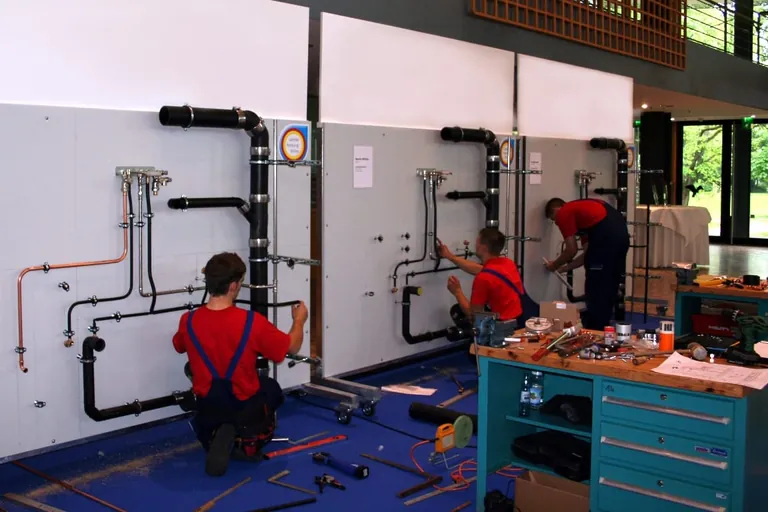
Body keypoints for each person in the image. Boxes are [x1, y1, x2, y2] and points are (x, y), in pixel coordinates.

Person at [172, 252, 308, 477]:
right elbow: (291, 347)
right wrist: (299, 320)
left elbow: (178, 346)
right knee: (272, 388)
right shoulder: (251, 322)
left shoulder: (189, 320)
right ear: (234, 285)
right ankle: (241, 436)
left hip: (208, 406)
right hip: (242, 406)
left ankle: (218, 431)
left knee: (192, 369)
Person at [543, 197, 630, 330]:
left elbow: (571, 250)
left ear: (556, 210)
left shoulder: (564, 212)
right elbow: (587, 255)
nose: (556, 223)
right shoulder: (585, 215)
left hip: (607, 238)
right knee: (607, 286)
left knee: (596, 288)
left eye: (553, 219)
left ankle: (595, 330)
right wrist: (565, 268)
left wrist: (554, 265)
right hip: (620, 238)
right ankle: (602, 329)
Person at [438, 228, 537, 331]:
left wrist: (457, 292)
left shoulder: (483, 279)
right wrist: (450, 256)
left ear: (483, 247)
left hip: (503, 330)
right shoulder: (508, 264)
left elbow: (474, 316)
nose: (475, 245)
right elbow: (481, 269)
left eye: (477, 242)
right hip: (521, 323)